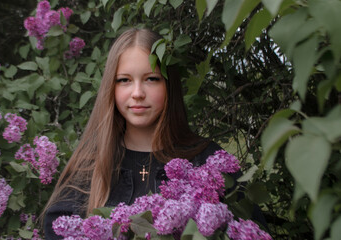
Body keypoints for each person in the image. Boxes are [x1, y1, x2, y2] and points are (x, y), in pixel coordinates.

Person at [42, 28, 226, 239]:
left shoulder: (207, 162)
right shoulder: (88, 169)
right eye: (124, 80)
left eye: (151, 79)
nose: (137, 93)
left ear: (169, 85)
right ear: (111, 87)